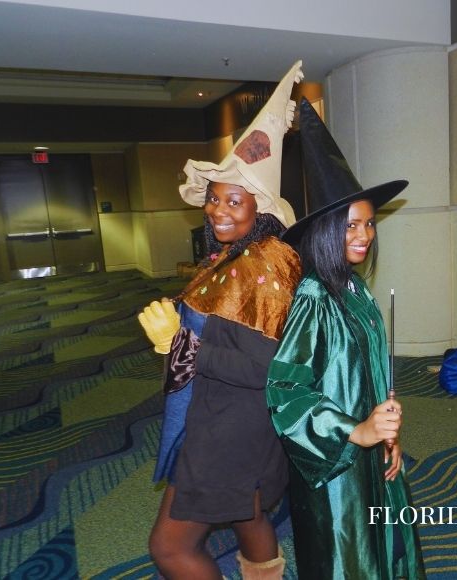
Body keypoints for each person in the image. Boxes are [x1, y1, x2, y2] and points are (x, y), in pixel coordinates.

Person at [137, 61, 303, 580]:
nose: (218, 210)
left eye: (234, 199)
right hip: (233, 419)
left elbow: (267, 368)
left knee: (169, 547)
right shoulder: (236, 257)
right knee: (247, 511)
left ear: (263, 209)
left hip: (231, 428)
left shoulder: (263, 265)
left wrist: (179, 342)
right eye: (214, 198)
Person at [265, 98, 425, 579]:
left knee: (384, 553)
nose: (365, 235)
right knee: (350, 561)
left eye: (369, 223)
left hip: (367, 455)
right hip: (334, 471)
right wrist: (354, 431)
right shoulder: (314, 296)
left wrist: (385, 437)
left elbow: (371, 379)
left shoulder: (354, 289)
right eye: (351, 225)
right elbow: (285, 390)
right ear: (325, 230)